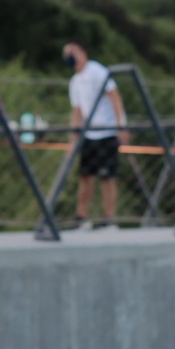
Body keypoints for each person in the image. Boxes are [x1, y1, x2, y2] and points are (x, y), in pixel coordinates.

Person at [63, 41, 124, 229]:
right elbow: (77, 111)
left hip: (106, 131)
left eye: (73, 52)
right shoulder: (75, 82)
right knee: (86, 176)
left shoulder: (97, 71)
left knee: (107, 177)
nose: (70, 56)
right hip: (88, 134)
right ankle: (82, 217)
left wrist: (121, 125)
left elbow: (114, 96)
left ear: (83, 53)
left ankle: (109, 219)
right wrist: (73, 138)